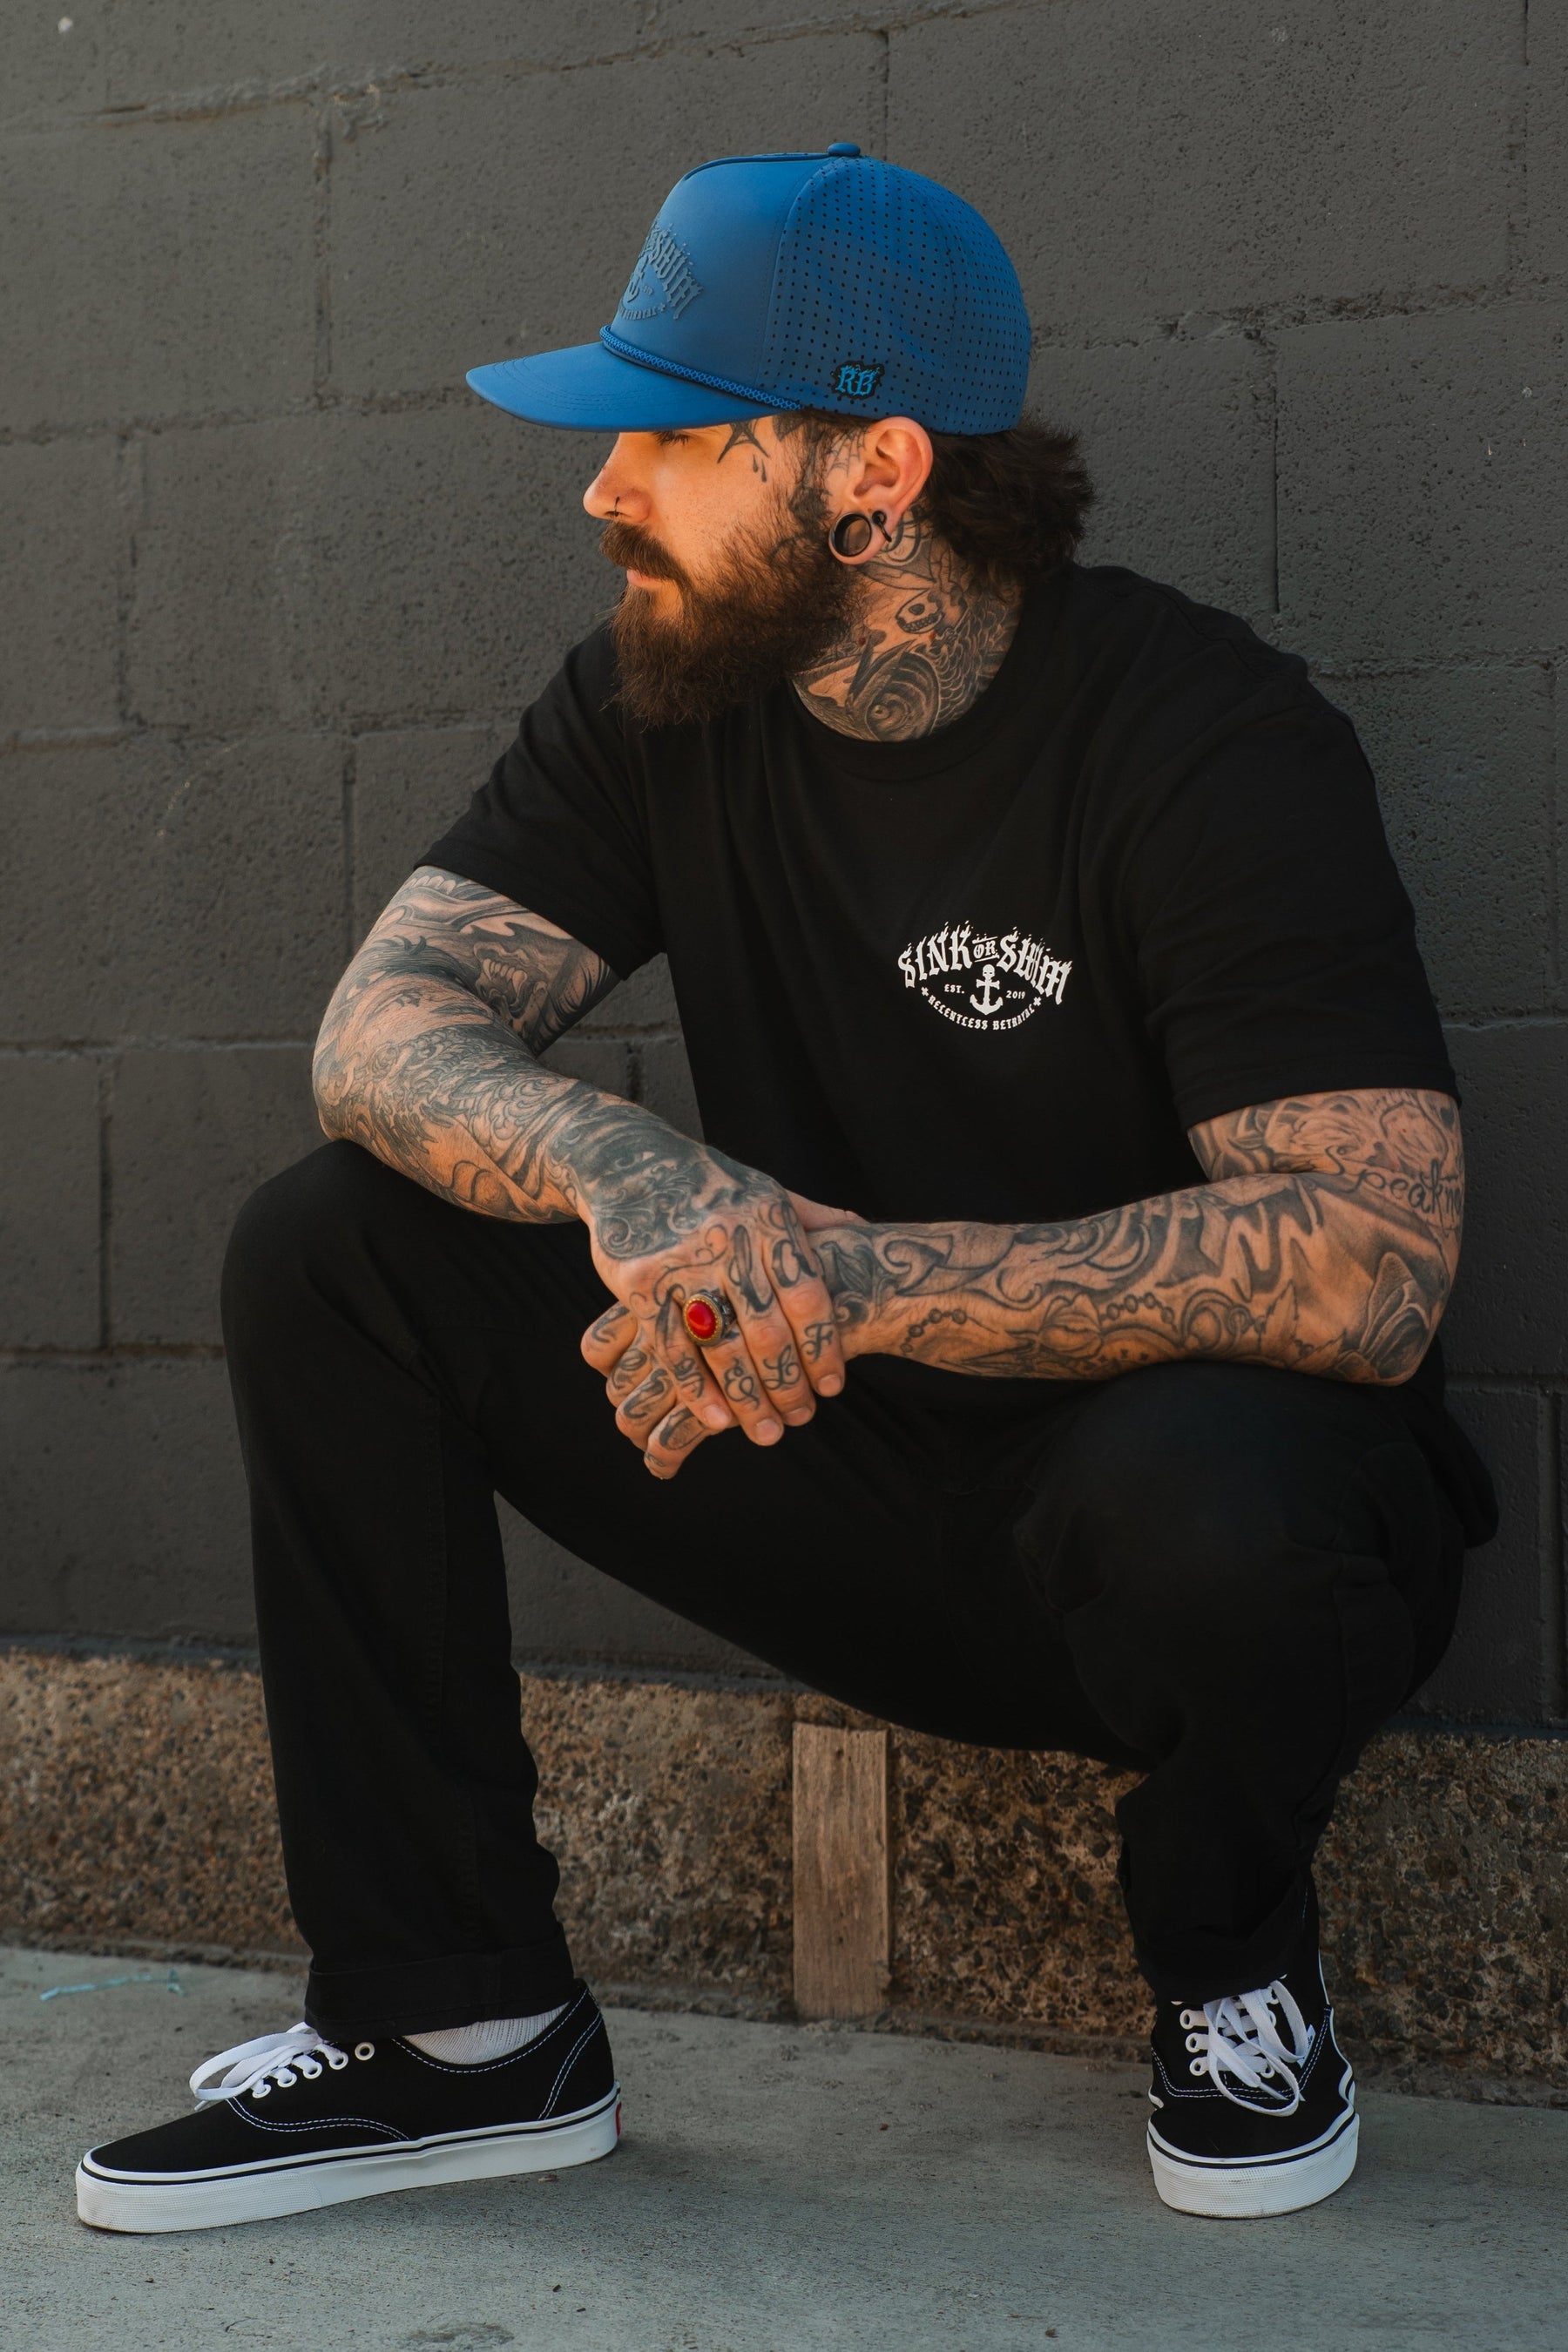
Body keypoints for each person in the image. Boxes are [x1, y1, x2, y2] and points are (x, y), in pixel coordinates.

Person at [77, 144, 1496, 2235]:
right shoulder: (667, 701)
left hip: (1167, 1542)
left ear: (873, 472)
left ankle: (1233, 1969)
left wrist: (843, 1279)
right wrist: (631, 1170)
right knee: (334, 1250)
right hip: (822, 1457)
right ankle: (462, 2032)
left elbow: (1380, 1261)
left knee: (1219, 1495)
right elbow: (382, 1028)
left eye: (663, 430)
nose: (601, 486)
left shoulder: (1204, 738)